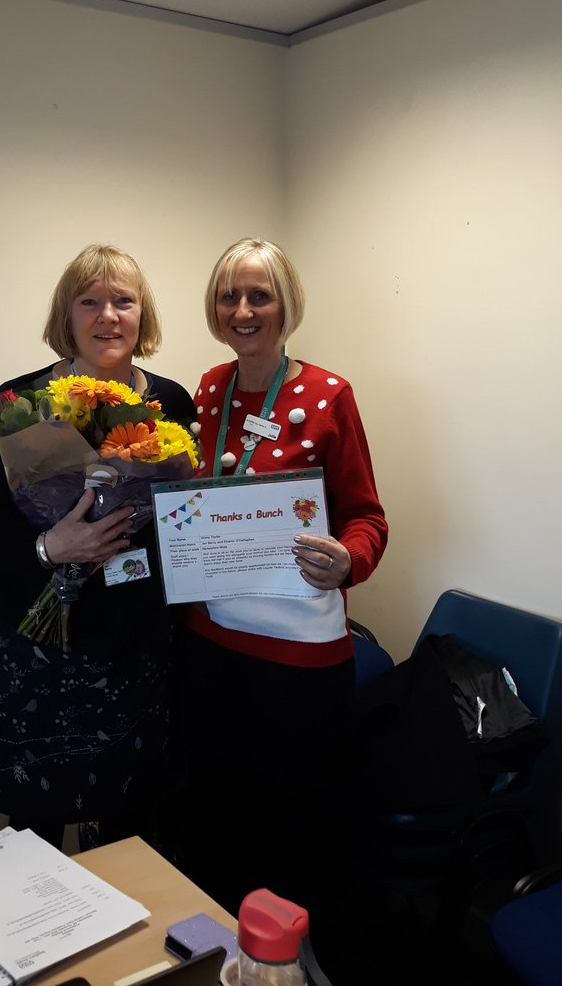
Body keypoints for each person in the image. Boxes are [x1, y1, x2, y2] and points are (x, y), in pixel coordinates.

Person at [161, 236, 388, 919]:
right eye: (230, 295)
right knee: (212, 822)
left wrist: (349, 560)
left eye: (259, 294)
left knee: (290, 833)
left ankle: (284, 959)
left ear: (285, 305)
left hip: (297, 660)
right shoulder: (207, 388)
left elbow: (367, 517)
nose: (243, 308)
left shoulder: (327, 395)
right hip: (209, 646)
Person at [0, 245, 195, 849]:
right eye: (89, 302)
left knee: (129, 825)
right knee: (34, 828)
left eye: (124, 301)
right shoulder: (19, 404)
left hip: (132, 647)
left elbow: (182, 517)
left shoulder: (173, 400)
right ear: (67, 317)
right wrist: (49, 546)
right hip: (36, 644)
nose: (107, 316)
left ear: (144, 315)